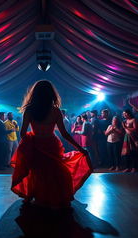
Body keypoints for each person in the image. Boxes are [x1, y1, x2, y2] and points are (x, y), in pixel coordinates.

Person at [11, 80, 92, 209]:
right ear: (51, 94)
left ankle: (37, 196)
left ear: (35, 94)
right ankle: (55, 197)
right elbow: (64, 134)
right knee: (56, 172)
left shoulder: (29, 110)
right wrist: (80, 148)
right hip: (51, 144)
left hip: (36, 144)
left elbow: (22, 133)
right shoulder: (55, 111)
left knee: (37, 172)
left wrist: (31, 143)